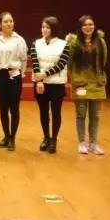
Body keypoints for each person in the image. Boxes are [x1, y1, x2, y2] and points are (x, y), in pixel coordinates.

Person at [66, 15, 108, 155]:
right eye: (85, 25)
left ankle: (93, 144)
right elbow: (69, 63)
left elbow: (103, 61)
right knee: (81, 114)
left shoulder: (100, 42)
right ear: (80, 27)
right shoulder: (73, 43)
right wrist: (75, 78)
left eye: (91, 24)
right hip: (81, 84)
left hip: (97, 83)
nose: (88, 27)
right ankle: (82, 143)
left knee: (95, 116)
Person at [31, 16, 70, 154]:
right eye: (43, 27)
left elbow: (61, 64)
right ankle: (46, 137)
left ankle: (54, 139)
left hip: (56, 84)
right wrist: (39, 81)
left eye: (47, 27)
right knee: (43, 112)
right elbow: (35, 62)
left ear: (54, 28)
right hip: (40, 83)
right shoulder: (36, 43)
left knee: (56, 112)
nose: (44, 30)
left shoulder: (64, 44)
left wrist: (44, 74)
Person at [0, 11, 28, 151]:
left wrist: (21, 72)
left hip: (15, 74)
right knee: (3, 108)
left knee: (14, 107)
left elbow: (24, 59)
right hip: (0, 74)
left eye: (11, 21)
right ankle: (6, 136)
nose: (9, 24)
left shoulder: (19, 40)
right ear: (0, 24)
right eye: (6, 21)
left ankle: (12, 138)